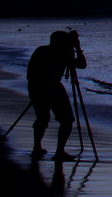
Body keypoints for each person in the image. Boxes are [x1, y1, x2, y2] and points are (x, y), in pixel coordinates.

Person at [27, 30, 87, 161]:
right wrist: (77, 47)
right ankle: (59, 152)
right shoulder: (62, 53)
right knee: (67, 120)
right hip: (52, 87)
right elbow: (82, 65)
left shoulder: (40, 50)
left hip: (36, 86)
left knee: (42, 118)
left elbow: (30, 72)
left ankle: (37, 148)